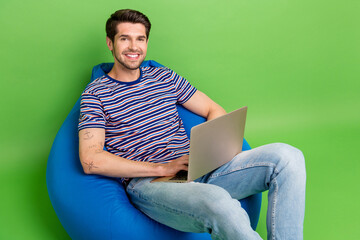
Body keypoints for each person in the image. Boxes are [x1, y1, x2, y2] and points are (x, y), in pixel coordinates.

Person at [78, 9, 306, 240]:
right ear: (110, 43)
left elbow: (212, 109)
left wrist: (209, 151)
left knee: (288, 157)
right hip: (150, 183)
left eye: (140, 39)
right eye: (124, 38)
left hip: (195, 167)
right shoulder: (96, 94)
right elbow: (91, 159)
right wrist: (161, 168)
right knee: (219, 203)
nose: (133, 47)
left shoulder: (162, 76)